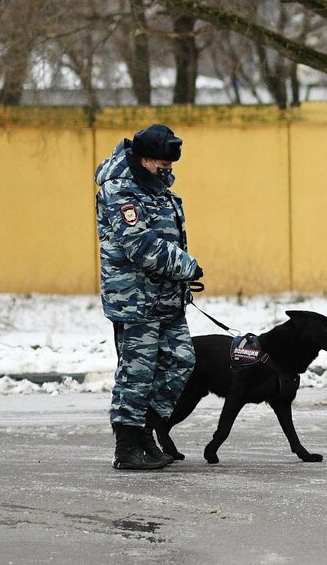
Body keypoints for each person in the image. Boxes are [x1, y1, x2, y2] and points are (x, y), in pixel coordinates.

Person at [95, 124, 202, 470]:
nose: (168, 171)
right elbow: (140, 246)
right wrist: (188, 267)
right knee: (136, 374)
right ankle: (128, 446)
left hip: (166, 299)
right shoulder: (121, 190)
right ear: (143, 159)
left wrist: (181, 277)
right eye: (162, 164)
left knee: (181, 360)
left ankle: (146, 430)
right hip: (135, 300)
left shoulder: (154, 187)